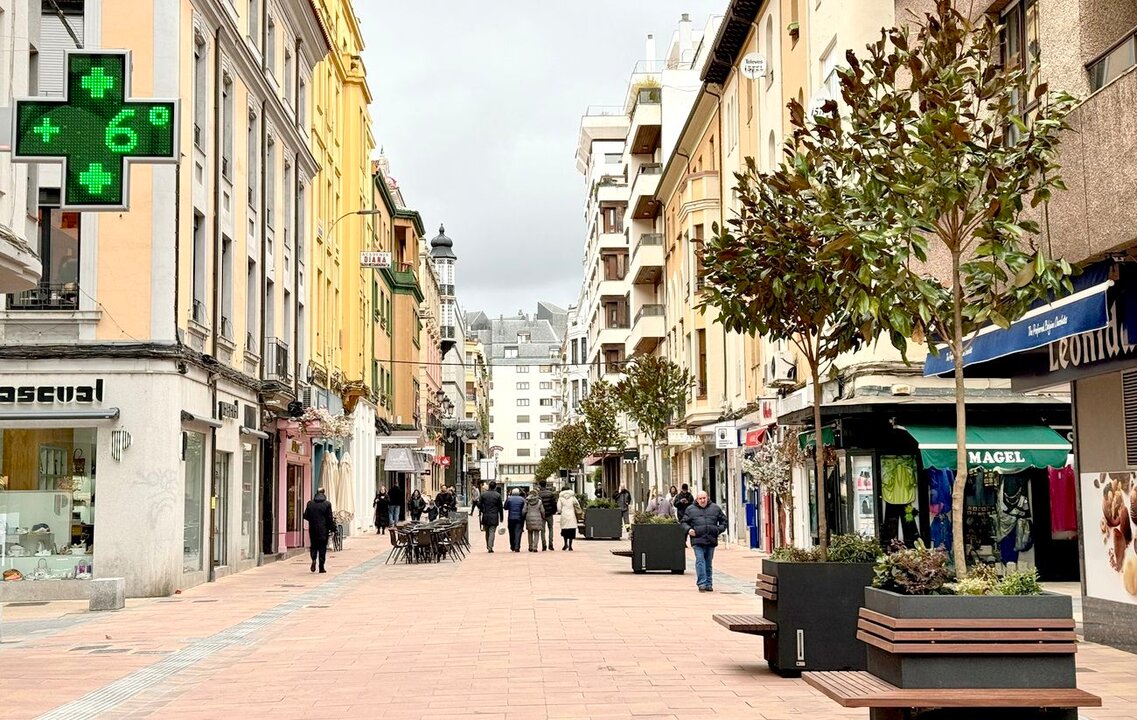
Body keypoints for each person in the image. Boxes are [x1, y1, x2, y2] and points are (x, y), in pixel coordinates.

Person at [680, 491, 728, 592]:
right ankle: (702, 583)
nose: (702, 500)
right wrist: (689, 530)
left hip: (711, 539)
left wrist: (718, 530)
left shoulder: (715, 508)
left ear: (707, 498)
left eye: (704, 498)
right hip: (697, 540)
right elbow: (683, 522)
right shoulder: (690, 509)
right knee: (700, 561)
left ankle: (709, 583)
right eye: (700, 498)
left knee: (708, 562)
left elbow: (724, 521)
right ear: (697, 499)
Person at [303, 487, 335, 573]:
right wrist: (333, 528)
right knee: (322, 548)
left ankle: (313, 559)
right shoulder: (327, 504)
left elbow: (305, 516)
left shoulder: (310, 503)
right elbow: (329, 518)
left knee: (313, 545)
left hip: (313, 529)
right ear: (324, 493)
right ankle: (321, 566)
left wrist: (313, 519)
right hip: (323, 530)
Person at [478, 481, 504, 552]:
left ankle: (488, 545)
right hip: (494, 515)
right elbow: (500, 507)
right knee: (492, 532)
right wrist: (501, 517)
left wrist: (483, 509)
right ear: (495, 487)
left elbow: (479, 504)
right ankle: (490, 546)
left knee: (487, 532)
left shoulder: (483, 495)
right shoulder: (498, 495)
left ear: (489, 486)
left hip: (485, 515)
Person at [557, 486, 582, 550]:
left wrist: (561, 511)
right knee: (571, 530)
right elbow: (577, 505)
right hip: (572, 515)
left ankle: (565, 544)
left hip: (564, 515)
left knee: (565, 530)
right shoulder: (573, 497)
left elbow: (559, 508)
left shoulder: (560, 498)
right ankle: (570, 546)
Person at [537, 479, 558, 551]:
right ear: (546, 485)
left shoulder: (538, 494)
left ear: (540, 485)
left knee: (542, 530)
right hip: (550, 514)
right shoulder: (550, 493)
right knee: (551, 528)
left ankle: (544, 545)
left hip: (541, 515)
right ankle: (551, 544)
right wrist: (554, 511)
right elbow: (554, 504)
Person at [523, 488, 546, 552]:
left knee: (529, 533)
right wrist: (543, 517)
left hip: (529, 518)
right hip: (537, 518)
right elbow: (542, 511)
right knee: (536, 533)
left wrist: (523, 516)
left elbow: (524, 510)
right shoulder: (539, 501)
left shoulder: (527, 501)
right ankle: (535, 547)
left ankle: (530, 546)